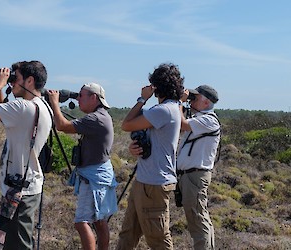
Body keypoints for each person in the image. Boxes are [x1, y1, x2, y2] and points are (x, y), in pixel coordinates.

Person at [0, 61, 52, 250]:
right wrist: (2, 87)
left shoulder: (24, 108)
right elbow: (5, 113)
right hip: (25, 186)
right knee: (14, 243)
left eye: (15, 79)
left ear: (30, 81)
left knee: (19, 245)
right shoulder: (40, 106)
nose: (11, 83)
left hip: (21, 191)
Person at [117, 63, 184, 250]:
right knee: (128, 233)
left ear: (156, 86)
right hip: (145, 181)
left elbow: (126, 124)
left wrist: (142, 98)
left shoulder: (164, 110)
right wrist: (135, 147)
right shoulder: (167, 110)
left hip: (154, 183)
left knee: (158, 238)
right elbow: (140, 132)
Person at [47, 83, 118, 250]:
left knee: (81, 222)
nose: (77, 99)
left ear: (94, 97)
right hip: (99, 174)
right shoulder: (101, 116)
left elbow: (62, 126)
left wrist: (55, 103)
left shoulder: (96, 118)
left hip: (93, 178)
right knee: (100, 222)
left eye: (81, 95)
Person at [177, 85, 220, 250]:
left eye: (195, 98)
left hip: (195, 176)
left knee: (198, 220)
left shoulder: (209, 120)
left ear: (207, 102)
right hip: (190, 176)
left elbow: (181, 124)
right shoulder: (200, 119)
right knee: (200, 218)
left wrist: (179, 102)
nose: (191, 100)